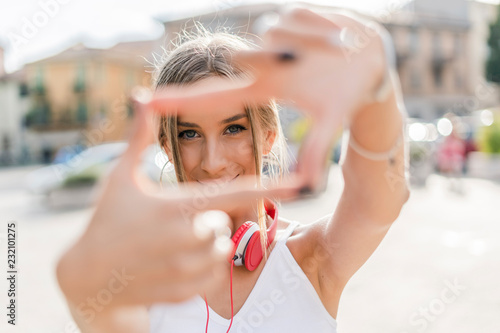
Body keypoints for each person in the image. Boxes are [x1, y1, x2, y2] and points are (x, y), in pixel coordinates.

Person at [56, 6, 410, 332]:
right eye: (189, 134)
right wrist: (79, 287)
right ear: (167, 146)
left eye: (234, 128)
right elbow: (104, 316)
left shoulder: (310, 257)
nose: (213, 162)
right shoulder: (145, 276)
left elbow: (378, 200)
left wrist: (375, 94)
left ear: (269, 135)